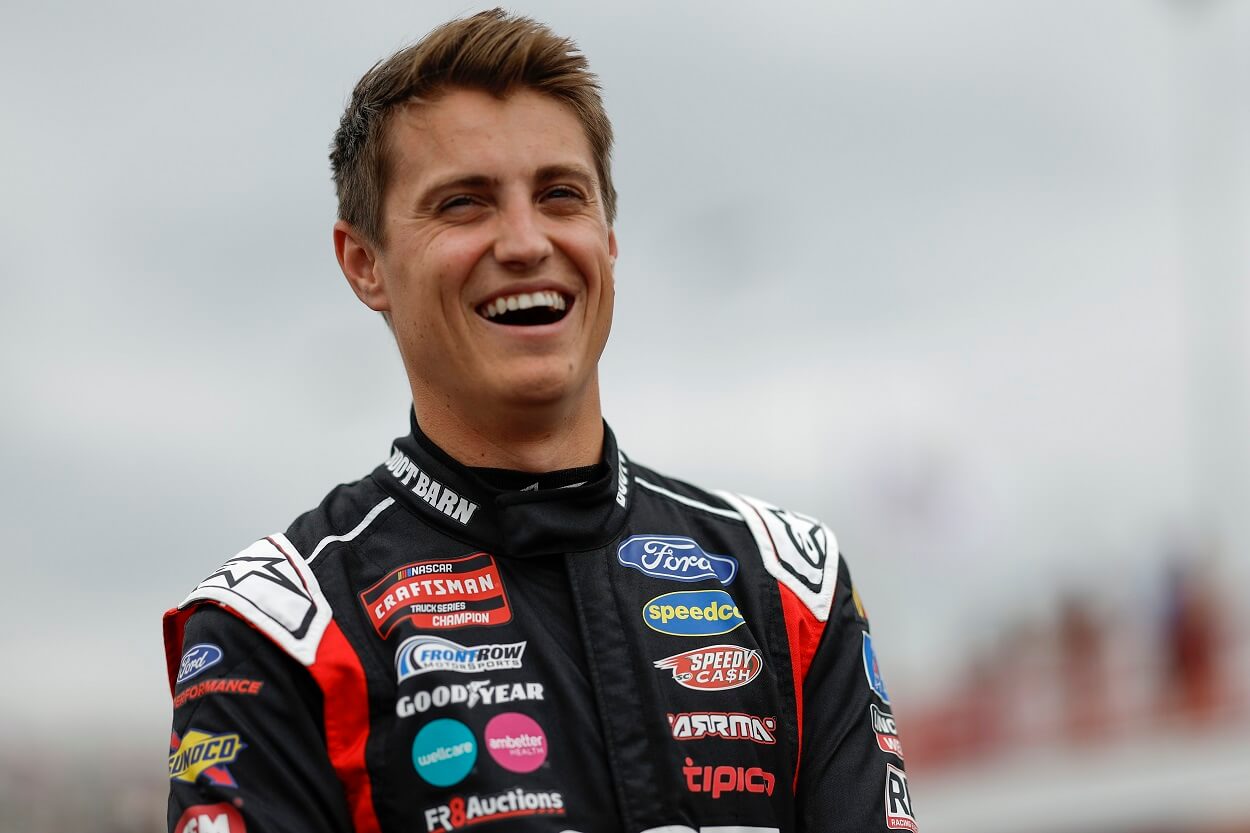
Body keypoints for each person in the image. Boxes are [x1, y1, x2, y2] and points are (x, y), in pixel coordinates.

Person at [163, 10, 914, 833]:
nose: (525, 242)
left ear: (609, 239)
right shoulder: (277, 625)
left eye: (560, 195)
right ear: (364, 264)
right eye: (463, 204)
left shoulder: (788, 582)